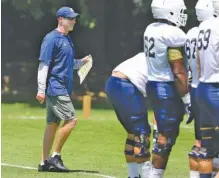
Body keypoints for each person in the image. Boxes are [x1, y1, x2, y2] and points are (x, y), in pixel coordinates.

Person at [36, 6, 89, 172]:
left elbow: (68, 64)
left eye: (74, 18)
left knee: (52, 124)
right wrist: (41, 89)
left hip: (62, 88)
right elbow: (43, 65)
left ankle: (44, 163)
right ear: (60, 19)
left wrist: (82, 62)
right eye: (70, 18)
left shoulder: (67, 39)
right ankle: (55, 156)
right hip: (55, 87)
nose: (74, 21)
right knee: (71, 119)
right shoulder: (51, 39)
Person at [144, 0, 190, 177]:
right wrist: (187, 100)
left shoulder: (151, 28)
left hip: (154, 83)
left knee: (167, 133)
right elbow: (178, 70)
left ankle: (154, 173)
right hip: (166, 85)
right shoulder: (171, 32)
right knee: (165, 136)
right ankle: (154, 175)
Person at [105, 53, 151, 178]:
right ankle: (147, 175)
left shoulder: (147, 53)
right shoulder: (165, 60)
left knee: (132, 133)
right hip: (126, 85)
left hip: (113, 83)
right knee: (142, 134)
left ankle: (133, 175)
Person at [184, 1, 215, 177]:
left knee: (201, 142)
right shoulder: (212, 30)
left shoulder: (192, 32)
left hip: (196, 87)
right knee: (212, 145)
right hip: (210, 86)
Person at [196, 0, 219, 177]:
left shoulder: (205, 25)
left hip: (202, 87)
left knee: (209, 147)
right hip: (216, 88)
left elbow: (198, 61)